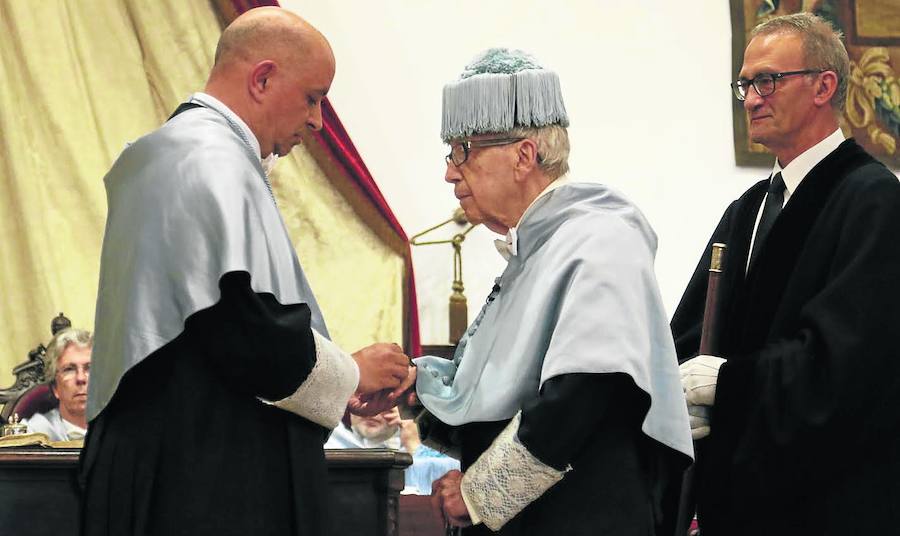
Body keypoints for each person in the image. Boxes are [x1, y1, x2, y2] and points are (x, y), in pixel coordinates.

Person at [81, 7, 413, 536]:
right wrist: (352, 373)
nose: (317, 122)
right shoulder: (208, 158)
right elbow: (241, 326)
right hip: (201, 475)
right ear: (262, 78)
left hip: (164, 450)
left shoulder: (171, 151)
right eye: (313, 97)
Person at [408, 48, 693, 535]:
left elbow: (578, 399)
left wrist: (479, 494)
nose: (450, 172)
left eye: (463, 151)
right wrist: (411, 384)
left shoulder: (601, 240)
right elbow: (493, 393)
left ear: (523, 155)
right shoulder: (536, 249)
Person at [672, 13, 900, 536]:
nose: (751, 98)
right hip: (736, 499)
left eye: (768, 80)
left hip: (828, 503)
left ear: (824, 85)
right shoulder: (748, 208)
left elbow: (849, 363)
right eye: (745, 84)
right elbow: (689, 335)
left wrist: (731, 385)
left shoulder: (873, 201)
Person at [325, 407, 460, 494]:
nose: (373, 413)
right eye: (365, 401)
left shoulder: (425, 442)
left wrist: (414, 445)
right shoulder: (328, 439)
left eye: (385, 406)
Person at [25, 328, 92, 441]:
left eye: (90, 368)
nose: (81, 378)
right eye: (69, 369)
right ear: (55, 387)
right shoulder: (33, 433)